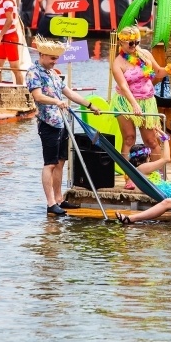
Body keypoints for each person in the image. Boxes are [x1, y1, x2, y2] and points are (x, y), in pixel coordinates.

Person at [25, 37, 101, 216]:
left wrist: (90, 105)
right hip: (48, 123)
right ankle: (50, 203)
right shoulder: (33, 72)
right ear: (42, 55)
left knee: (60, 162)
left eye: (56, 59)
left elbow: (70, 93)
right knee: (49, 164)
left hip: (62, 122)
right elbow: (38, 97)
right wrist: (57, 101)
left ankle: (59, 199)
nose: (54, 62)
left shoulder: (53, 74)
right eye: (52, 58)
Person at [111, 25, 171, 167]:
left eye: (137, 42)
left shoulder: (145, 55)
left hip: (147, 101)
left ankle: (157, 175)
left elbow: (158, 72)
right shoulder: (117, 63)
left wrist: (169, 69)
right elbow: (123, 87)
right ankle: (129, 176)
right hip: (125, 102)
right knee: (129, 139)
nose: (134, 46)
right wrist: (134, 104)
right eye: (131, 43)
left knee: (152, 141)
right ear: (121, 42)